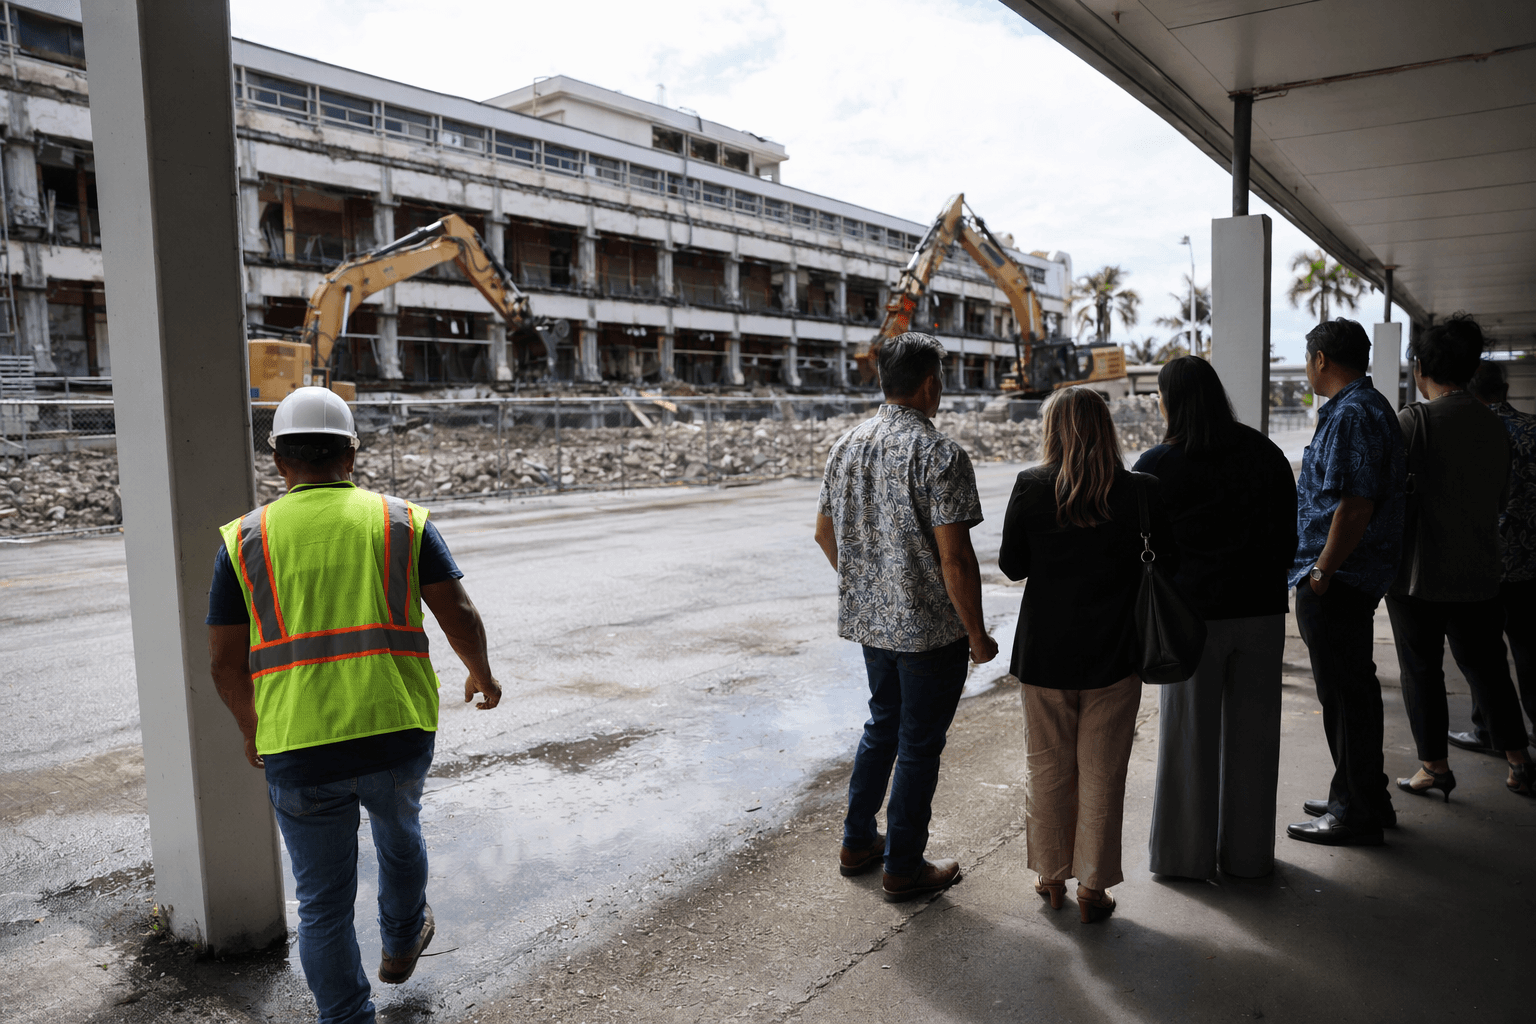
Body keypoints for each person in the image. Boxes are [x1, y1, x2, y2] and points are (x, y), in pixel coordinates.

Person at [208, 387, 503, 1024]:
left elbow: (224, 663)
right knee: (400, 839)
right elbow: (458, 613)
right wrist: (480, 674)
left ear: (279, 461)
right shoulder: (401, 522)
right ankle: (400, 943)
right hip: (394, 729)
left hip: (297, 745)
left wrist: (251, 729)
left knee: (320, 903)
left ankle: (347, 1018)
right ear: (350, 454)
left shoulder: (244, 541)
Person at [814, 332, 998, 903]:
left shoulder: (845, 445)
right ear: (929, 384)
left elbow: (824, 534)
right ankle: (904, 865)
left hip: (873, 627)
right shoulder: (938, 453)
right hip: (929, 633)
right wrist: (976, 633)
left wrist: (872, 588)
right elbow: (955, 557)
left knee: (881, 727)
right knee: (918, 745)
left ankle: (856, 841)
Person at [998, 386, 1176, 923]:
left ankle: (1051, 878)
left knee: (1048, 768)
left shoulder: (1032, 486)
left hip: (1045, 653)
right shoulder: (1142, 490)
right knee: (1103, 772)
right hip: (1116, 652)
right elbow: (1161, 562)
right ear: (1107, 428)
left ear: (1052, 429)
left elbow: (1011, 565)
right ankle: (1093, 889)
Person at [1134, 357, 1297, 879]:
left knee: (1188, 741)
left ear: (1171, 401)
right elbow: (1288, 539)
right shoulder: (1266, 454)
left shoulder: (1157, 464)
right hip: (1262, 614)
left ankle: (1184, 859)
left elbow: (1143, 549)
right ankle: (1249, 859)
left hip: (1191, 623)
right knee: (1255, 741)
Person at [1385, 320, 1533, 798]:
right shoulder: (1496, 426)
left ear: (1421, 367)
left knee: (1421, 668)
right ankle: (1519, 762)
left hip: (1420, 574)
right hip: (1481, 570)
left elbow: (1389, 498)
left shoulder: (1415, 421)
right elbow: (1500, 496)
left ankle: (1435, 768)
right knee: (1489, 667)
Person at [1287, 318, 1406, 847]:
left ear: (1320, 360)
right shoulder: (1365, 405)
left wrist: (1321, 571)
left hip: (1339, 579)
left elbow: (1354, 506)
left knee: (1344, 694)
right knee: (1352, 691)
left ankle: (1354, 811)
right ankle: (1362, 795)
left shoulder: (1354, 413)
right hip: (1349, 577)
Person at [1451, 360, 1536, 756]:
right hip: (1531, 564)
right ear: (1504, 389)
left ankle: (1487, 730)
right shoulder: (1533, 429)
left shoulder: (1475, 432)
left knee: (1484, 658)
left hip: (1482, 561)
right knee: (1530, 652)